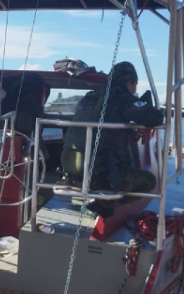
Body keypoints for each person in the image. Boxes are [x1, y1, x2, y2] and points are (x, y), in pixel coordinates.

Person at [61, 61, 164, 217]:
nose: (134, 91)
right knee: (149, 181)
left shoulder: (88, 98)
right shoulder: (121, 98)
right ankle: (103, 203)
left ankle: (99, 202)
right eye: (135, 86)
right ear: (130, 83)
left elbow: (102, 129)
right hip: (98, 178)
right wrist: (146, 125)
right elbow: (155, 117)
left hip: (70, 172)